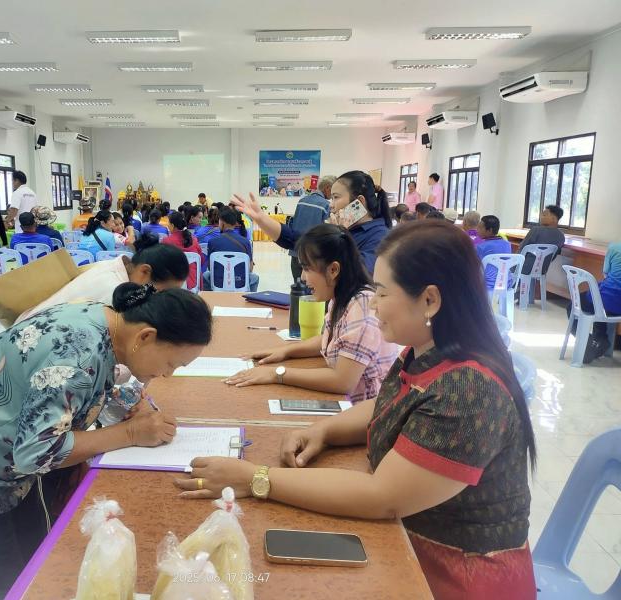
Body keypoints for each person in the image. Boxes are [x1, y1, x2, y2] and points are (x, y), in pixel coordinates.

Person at [175, 220, 537, 600]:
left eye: (382, 292)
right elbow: (387, 404)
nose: (373, 303)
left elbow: (383, 497)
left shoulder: (469, 390)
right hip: (408, 544)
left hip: (453, 575)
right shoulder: (425, 352)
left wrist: (256, 478)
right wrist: (323, 431)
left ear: (429, 300)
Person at [0, 284, 213, 600]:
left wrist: (131, 403)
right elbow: (37, 452)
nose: (168, 374)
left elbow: (79, 390)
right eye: (172, 364)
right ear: (145, 336)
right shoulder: (76, 355)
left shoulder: (104, 320)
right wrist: (130, 433)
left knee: (19, 567)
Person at [226, 224, 397, 402]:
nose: (302, 277)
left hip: (367, 412)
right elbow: (330, 338)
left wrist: (276, 373)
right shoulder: (342, 297)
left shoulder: (362, 307)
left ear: (333, 270)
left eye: (307, 268)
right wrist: (285, 351)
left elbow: (343, 381)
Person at [231, 170, 391, 274]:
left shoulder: (380, 236)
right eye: (331, 197)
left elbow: (360, 273)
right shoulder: (346, 229)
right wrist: (261, 218)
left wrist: (339, 235)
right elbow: (296, 239)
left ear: (359, 202)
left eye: (336, 197)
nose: (331, 204)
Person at [16, 234, 190, 322]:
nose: (159, 298)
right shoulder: (113, 294)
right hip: (28, 344)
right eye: (160, 292)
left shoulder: (115, 266)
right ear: (144, 271)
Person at [568, 241, 621, 363]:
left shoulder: (614, 248)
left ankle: (592, 341)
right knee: (598, 304)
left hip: (608, 298)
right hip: (614, 306)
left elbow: (605, 273)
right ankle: (599, 339)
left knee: (574, 306)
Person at [286, 175, 334, 280]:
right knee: (311, 288)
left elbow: (294, 223)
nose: (333, 195)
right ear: (327, 188)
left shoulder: (301, 201)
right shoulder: (326, 206)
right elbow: (327, 233)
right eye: (333, 191)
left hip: (296, 252)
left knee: (298, 285)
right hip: (313, 256)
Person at [203, 207, 260, 291]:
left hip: (218, 282)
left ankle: (209, 297)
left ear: (222, 222)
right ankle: (249, 296)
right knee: (254, 277)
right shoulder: (245, 242)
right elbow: (250, 268)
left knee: (205, 275)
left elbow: (210, 267)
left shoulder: (212, 242)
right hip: (240, 283)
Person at [518, 204, 566, 275]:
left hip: (523, 268)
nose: (541, 217)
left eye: (544, 215)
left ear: (553, 219)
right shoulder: (561, 236)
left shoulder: (535, 230)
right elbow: (553, 256)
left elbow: (521, 248)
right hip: (542, 270)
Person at [162, 211, 203, 291]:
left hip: (174, 284)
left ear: (172, 225)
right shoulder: (194, 239)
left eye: (168, 223)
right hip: (194, 284)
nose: (167, 225)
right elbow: (200, 259)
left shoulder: (166, 241)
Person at [476, 215, 512, 291]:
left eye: (480, 227)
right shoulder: (507, 244)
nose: (477, 230)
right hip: (506, 282)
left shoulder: (480, 247)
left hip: (487, 284)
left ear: (490, 230)